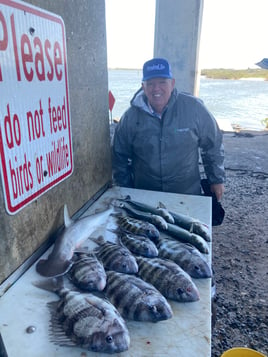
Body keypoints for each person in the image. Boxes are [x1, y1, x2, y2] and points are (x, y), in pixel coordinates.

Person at [112, 57, 225, 202]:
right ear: (143, 86)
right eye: (151, 83)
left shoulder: (195, 108)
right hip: (145, 194)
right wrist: (125, 188)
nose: (156, 88)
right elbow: (119, 155)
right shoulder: (130, 117)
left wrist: (216, 179)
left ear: (172, 83)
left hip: (186, 194)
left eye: (162, 82)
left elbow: (213, 144)